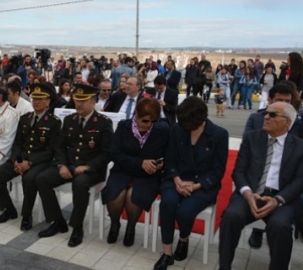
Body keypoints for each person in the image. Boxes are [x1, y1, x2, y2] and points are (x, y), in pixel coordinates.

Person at [219, 101, 303, 270]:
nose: (266, 116)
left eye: (272, 114)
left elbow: (300, 180)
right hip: (251, 194)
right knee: (231, 216)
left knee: (280, 227)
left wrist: (278, 200)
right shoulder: (252, 138)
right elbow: (239, 171)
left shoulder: (299, 146)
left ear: (287, 122)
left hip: (281, 199)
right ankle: (224, 266)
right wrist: (248, 194)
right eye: (266, 112)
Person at [153, 97, 229, 270]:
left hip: (202, 184)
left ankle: (183, 238)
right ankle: (167, 253)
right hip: (176, 179)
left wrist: (195, 186)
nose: (183, 126)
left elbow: (218, 170)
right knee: (168, 203)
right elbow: (170, 159)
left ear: (200, 119)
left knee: (185, 212)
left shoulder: (219, 134)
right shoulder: (177, 130)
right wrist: (177, 180)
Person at [36, 84, 113, 247]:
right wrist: (61, 165)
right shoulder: (69, 120)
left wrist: (88, 167)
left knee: (80, 184)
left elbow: (107, 153)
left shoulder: (103, 123)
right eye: (76, 100)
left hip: (91, 170)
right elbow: (60, 146)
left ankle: (77, 228)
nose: (78, 104)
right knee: (42, 179)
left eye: (83, 101)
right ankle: (58, 221)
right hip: (69, 165)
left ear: (93, 102)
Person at [0, 83, 61, 230]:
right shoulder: (25, 118)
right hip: (21, 159)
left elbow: (50, 150)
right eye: (34, 98)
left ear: (48, 102)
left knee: (29, 179)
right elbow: (17, 143)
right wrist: (16, 159)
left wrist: (29, 162)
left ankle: (27, 215)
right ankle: (9, 210)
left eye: (41, 99)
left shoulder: (54, 122)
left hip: (39, 162)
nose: (37, 102)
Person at [101, 98, 169, 246]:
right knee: (116, 196)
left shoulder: (162, 130)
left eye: (153, 121)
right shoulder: (123, 126)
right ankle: (114, 224)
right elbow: (114, 153)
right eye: (145, 121)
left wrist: (160, 164)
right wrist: (140, 163)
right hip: (122, 171)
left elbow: (167, 155)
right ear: (136, 115)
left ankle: (130, 228)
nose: (149, 125)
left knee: (133, 197)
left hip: (147, 177)